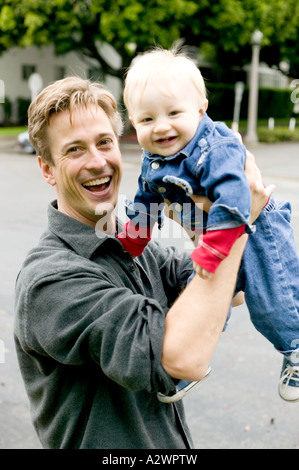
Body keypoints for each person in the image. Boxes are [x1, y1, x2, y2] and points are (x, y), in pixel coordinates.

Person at [14, 76, 270, 449]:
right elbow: (182, 359)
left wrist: (207, 221)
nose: (97, 162)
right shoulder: (50, 280)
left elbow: (229, 292)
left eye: (104, 142)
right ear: (47, 168)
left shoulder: (135, 243)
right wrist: (233, 222)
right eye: (74, 150)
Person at [116, 47, 299, 403]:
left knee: (270, 300)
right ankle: (191, 360)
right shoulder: (154, 161)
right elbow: (146, 202)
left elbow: (235, 196)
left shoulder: (214, 148)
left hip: (258, 228)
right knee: (197, 297)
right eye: (147, 119)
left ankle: (295, 346)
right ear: (133, 123)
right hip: (210, 236)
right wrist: (130, 244)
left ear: (200, 109)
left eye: (173, 113)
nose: (162, 126)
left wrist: (213, 250)